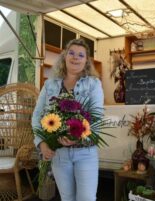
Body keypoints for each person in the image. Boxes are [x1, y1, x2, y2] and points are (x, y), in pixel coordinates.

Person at [32, 38, 103, 201]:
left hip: (85, 152)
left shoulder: (93, 84)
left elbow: (97, 116)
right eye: (71, 53)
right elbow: (37, 116)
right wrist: (41, 143)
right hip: (59, 154)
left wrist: (76, 136)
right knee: (67, 197)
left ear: (86, 61)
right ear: (64, 56)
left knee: (86, 198)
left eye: (80, 55)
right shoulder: (50, 84)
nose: (75, 57)